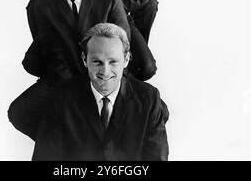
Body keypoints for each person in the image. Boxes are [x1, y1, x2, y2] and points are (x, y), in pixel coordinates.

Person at [8, 0, 156, 140]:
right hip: (67, 73)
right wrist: (75, 94)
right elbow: (55, 56)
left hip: (105, 70)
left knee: (155, 111)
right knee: (19, 111)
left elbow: (120, 46)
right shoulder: (44, 7)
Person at [32, 23, 169, 161]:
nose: (105, 71)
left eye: (113, 62)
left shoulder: (149, 98)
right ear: (85, 60)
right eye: (97, 62)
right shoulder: (60, 98)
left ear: (126, 60)